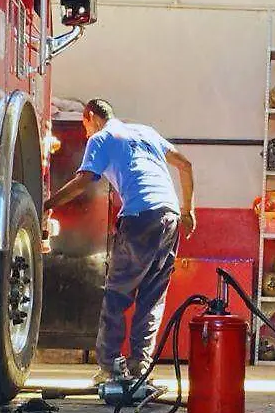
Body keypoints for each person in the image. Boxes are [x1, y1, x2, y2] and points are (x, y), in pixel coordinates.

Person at [43, 99, 196, 385]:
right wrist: (188, 211)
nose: (85, 132)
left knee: (116, 296)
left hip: (140, 218)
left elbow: (85, 179)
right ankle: (140, 368)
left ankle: (110, 368)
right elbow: (185, 165)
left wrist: (47, 204)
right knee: (151, 298)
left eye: (84, 126)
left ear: (90, 117)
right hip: (170, 217)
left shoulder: (102, 138)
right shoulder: (146, 132)